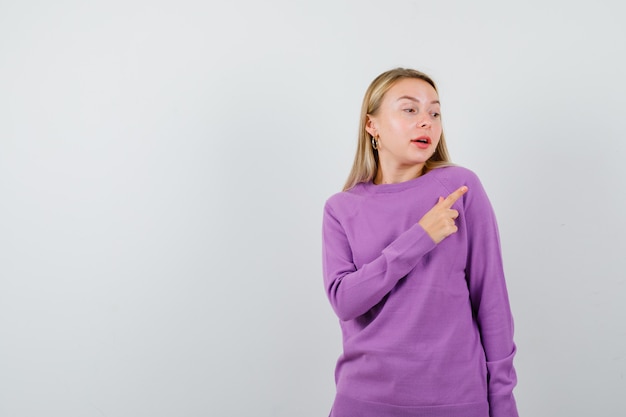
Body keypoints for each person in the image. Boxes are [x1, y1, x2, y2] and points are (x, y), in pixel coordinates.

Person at [322, 68, 519, 417]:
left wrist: (503, 403)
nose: (426, 121)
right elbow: (345, 301)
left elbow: (492, 301)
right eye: (410, 109)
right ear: (372, 125)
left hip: (457, 401)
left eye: (435, 112)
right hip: (364, 402)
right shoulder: (342, 208)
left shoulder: (459, 187)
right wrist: (420, 237)